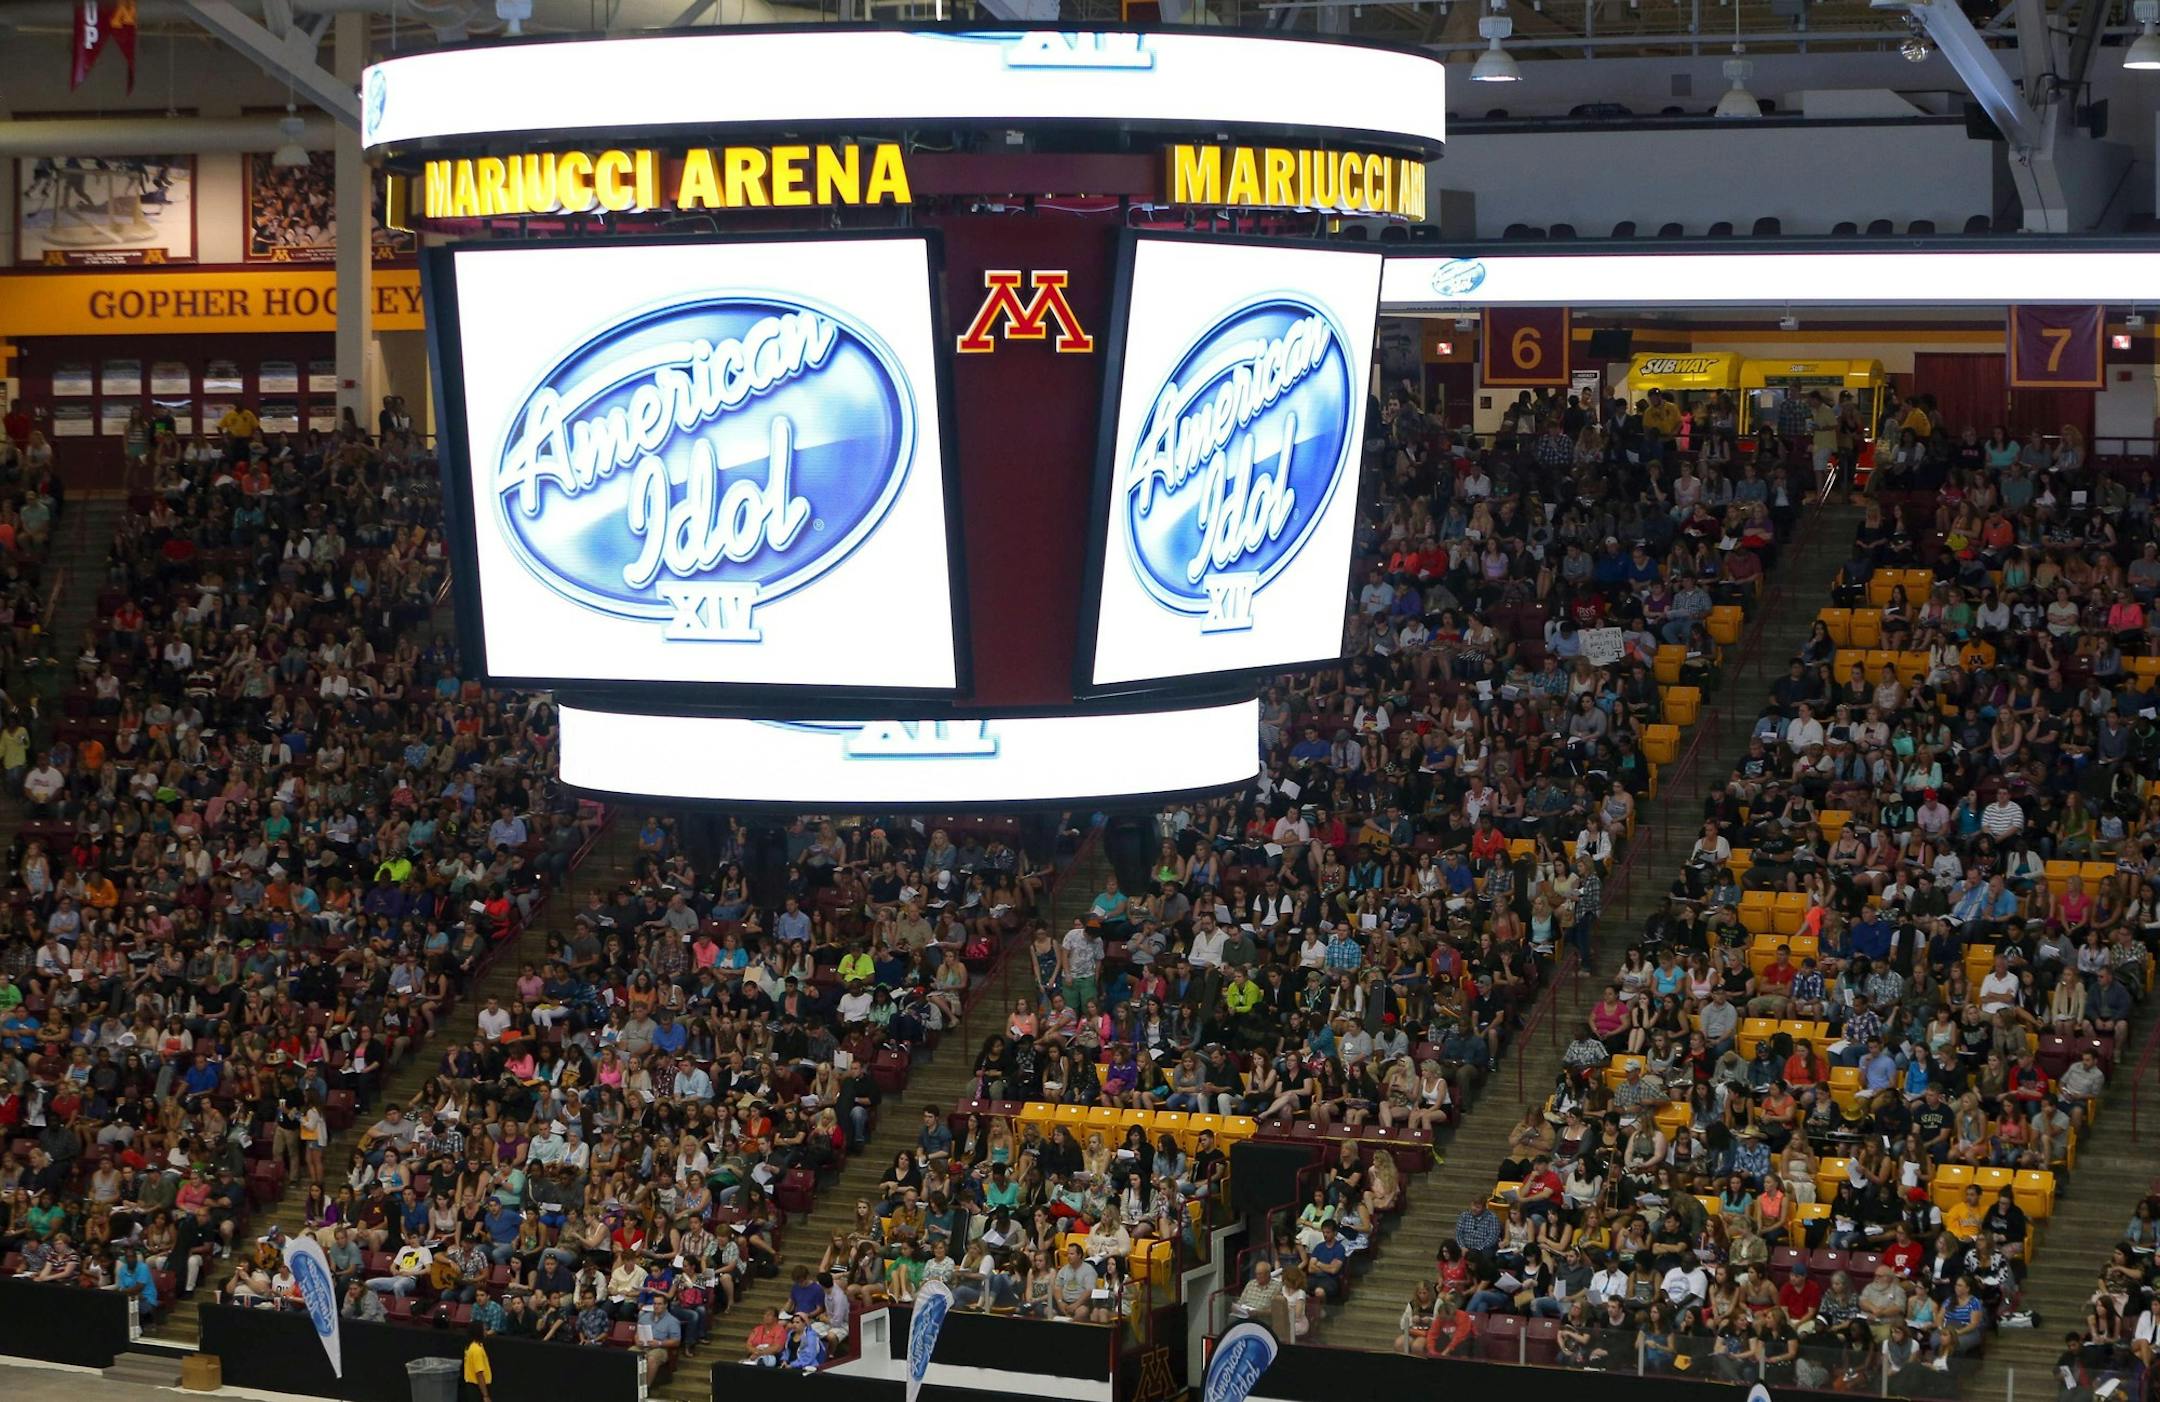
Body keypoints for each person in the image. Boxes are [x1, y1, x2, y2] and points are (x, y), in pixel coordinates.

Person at [460, 1321, 493, 1402]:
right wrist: (485, 1395)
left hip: (473, 1387)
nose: (486, 1332)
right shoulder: (476, 1350)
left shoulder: (472, 1346)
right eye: (484, 1329)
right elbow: (479, 1374)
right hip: (477, 1388)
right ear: (479, 1331)